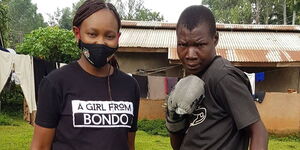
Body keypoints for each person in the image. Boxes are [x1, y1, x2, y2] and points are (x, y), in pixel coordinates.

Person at [31, 0, 140, 150]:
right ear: (77, 33)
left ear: (118, 37)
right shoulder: (55, 83)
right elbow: (40, 146)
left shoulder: (129, 86)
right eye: (92, 34)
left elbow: (128, 144)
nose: (100, 42)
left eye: (109, 36)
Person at [165, 5, 268, 150]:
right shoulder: (192, 80)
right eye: (182, 45)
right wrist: (174, 119)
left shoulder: (222, 76)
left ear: (215, 39)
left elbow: (259, 132)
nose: (190, 55)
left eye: (199, 45)